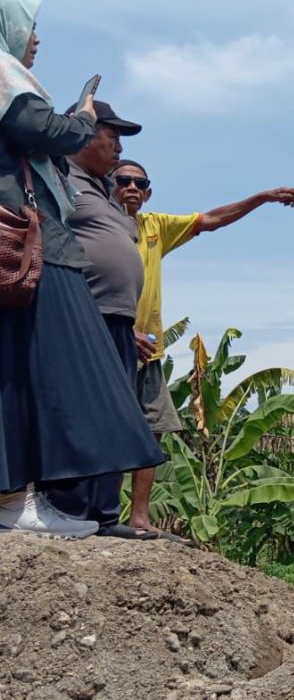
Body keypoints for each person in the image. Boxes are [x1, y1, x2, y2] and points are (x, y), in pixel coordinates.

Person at [0, 0, 163, 538]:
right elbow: (48, 132)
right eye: (29, 27)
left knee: (28, 373)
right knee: (52, 378)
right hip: (37, 252)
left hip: (40, 254)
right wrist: (81, 117)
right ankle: (26, 499)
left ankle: (33, 499)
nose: (37, 39)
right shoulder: (4, 76)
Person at [111, 157, 294, 537]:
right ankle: (101, 513)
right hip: (110, 345)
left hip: (150, 352)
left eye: (140, 183)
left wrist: (263, 198)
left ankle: (139, 518)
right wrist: (119, 328)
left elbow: (211, 219)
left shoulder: (155, 227)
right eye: (123, 180)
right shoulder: (96, 228)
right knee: (107, 430)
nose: (132, 188)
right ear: (108, 186)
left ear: (148, 193)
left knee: (153, 430)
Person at [45, 99, 165, 539]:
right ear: (83, 135)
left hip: (119, 320)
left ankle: (104, 514)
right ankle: (70, 508)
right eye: (110, 137)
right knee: (81, 410)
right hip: (82, 312)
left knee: (115, 414)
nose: (118, 148)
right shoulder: (59, 175)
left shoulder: (104, 190)